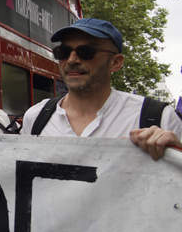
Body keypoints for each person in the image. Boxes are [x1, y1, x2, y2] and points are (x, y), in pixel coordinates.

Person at [22, 18, 182, 160]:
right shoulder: (35, 118)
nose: (72, 60)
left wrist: (175, 150)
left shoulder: (159, 118)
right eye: (63, 52)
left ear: (116, 62)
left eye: (86, 52)